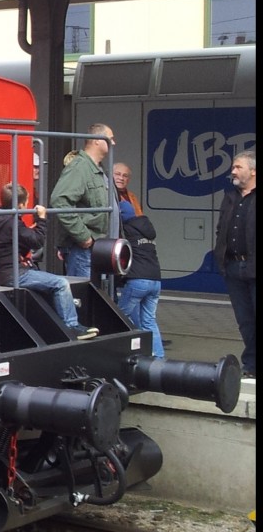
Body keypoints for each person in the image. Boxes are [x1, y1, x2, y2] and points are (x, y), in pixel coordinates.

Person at [0, 182, 98, 340]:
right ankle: (72, 327)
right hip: (15, 274)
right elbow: (37, 241)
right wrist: (42, 219)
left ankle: (67, 319)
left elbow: (14, 243)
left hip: (7, 271)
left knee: (50, 283)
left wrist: (28, 232)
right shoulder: (12, 222)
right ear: (21, 204)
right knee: (60, 283)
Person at [49, 123, 115, 278]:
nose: (113, 143)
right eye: (110, 139)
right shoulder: (79, 167)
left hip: (94, 246)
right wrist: (83, 236)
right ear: (97, 140)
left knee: (89, 295)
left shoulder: (97, 168)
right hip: (82, 247)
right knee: (81, 296)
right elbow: (59, 200)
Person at [214, 150, 255, 378]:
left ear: (253, 171)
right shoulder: (230, 197)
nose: (233, 171)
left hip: (254, 266)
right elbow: (222, 228)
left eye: (238, 167)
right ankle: (250, 365)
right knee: (245, 321)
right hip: (233, 267)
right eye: (233, 167)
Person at [116, 199, 164, 358]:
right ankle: (159, 358)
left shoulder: (127, 231)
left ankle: (122, 354)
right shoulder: (147, 228)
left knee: (118, 317)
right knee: (149, 322)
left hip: (138, 280)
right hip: (155, 280)